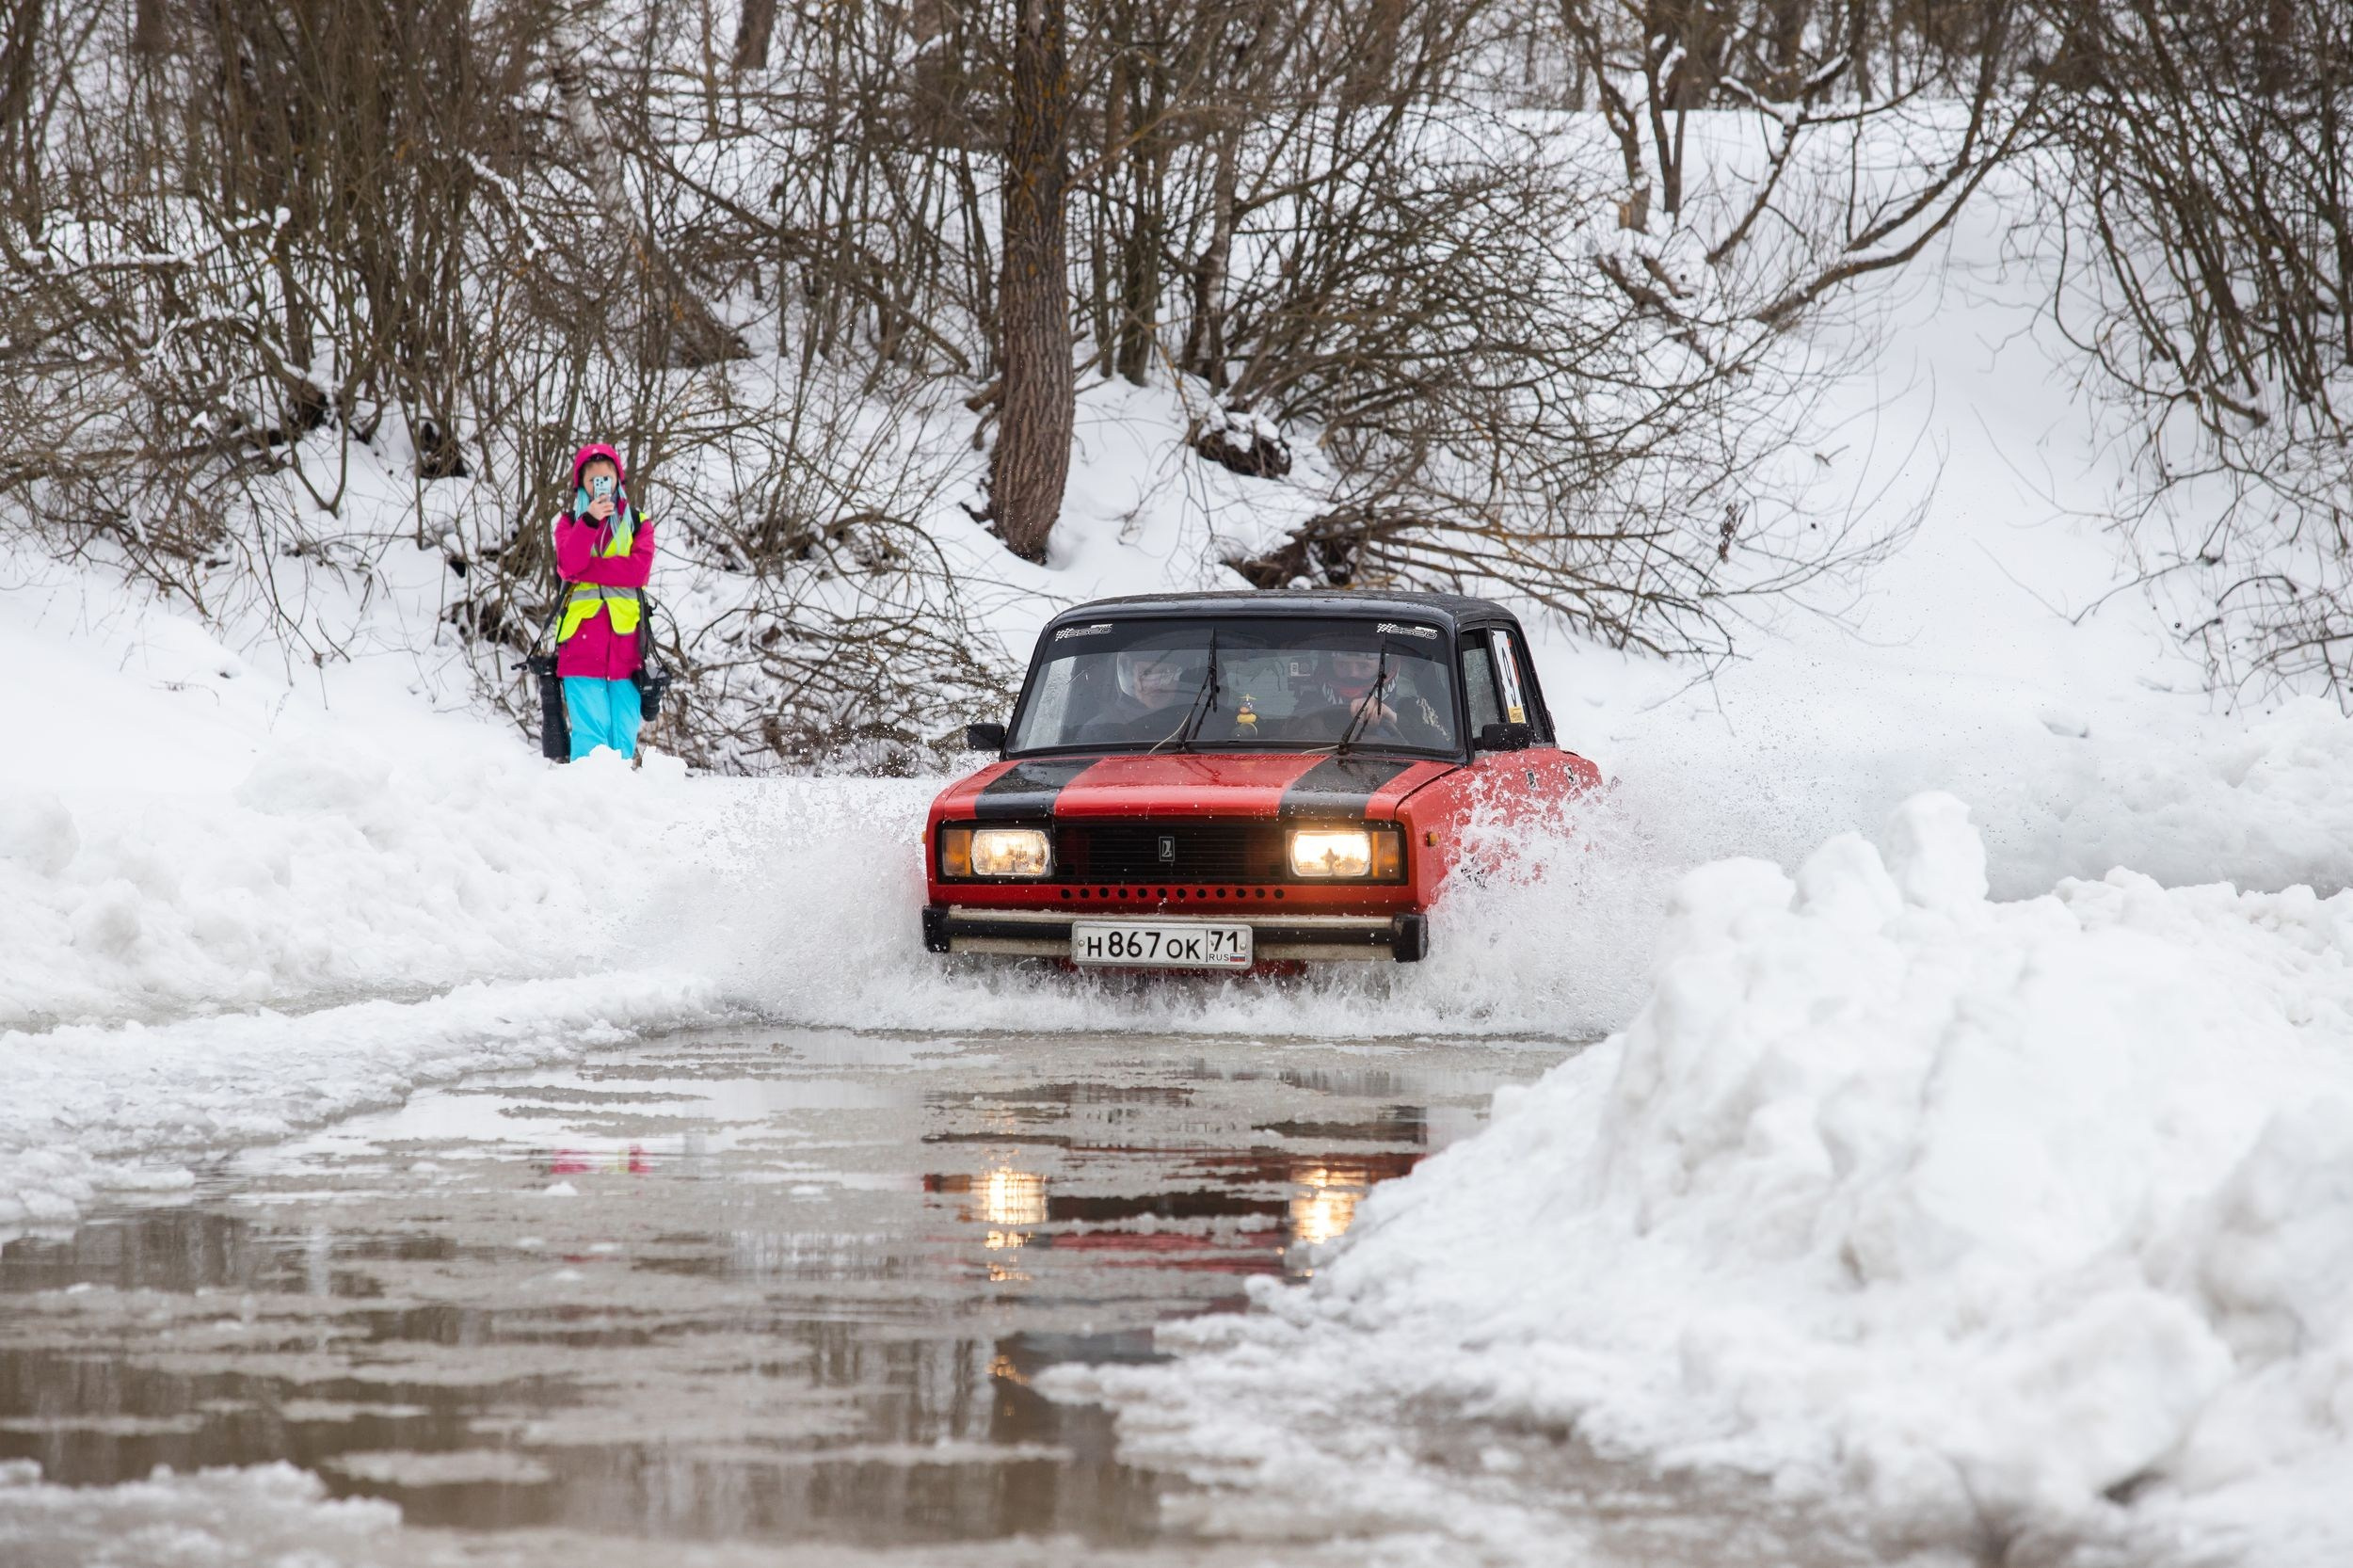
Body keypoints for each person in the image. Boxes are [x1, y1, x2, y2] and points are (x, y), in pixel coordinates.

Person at [552, 442, 656, 761]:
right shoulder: (570, 523)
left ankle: (620, 805)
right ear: (581, 485)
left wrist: (589, 571)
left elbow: (638, 571)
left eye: (606, 478)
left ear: (618, 480)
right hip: (581, 646)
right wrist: (590, 522)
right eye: (592, 480)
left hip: (627, 649)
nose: (601, 486)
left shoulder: (639, 522)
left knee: (623, 737)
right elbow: (569, 564)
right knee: (591, 738)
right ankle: (585, 803)